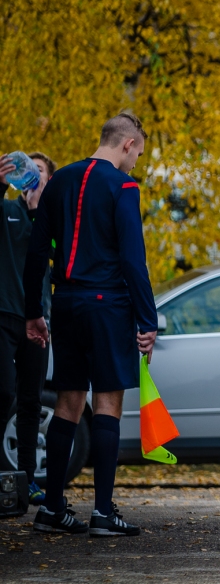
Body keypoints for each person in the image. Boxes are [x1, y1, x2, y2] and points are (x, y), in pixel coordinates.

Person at [24, 111, 157, 537]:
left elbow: (35, 253)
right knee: (107, 404)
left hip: (65, 305)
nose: (136, 162)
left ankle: (53, 507)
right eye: (138, 152)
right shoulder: (123, 186)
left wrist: (33, 311)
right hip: (108, 305)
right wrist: (147, 319)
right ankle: (102, 512)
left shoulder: (59, 181)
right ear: (127, 144)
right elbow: (133, 260)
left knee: (67, 402)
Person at [0, 152, 55, 505]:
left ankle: (26, 480)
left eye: (37, 172)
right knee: (4, 393)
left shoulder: (52, 218)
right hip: (4, 315)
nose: (29, 177)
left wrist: (38, 210)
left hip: (39, 322)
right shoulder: (7, 210)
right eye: (25, 170)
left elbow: (53, 254)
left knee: (32, 401)